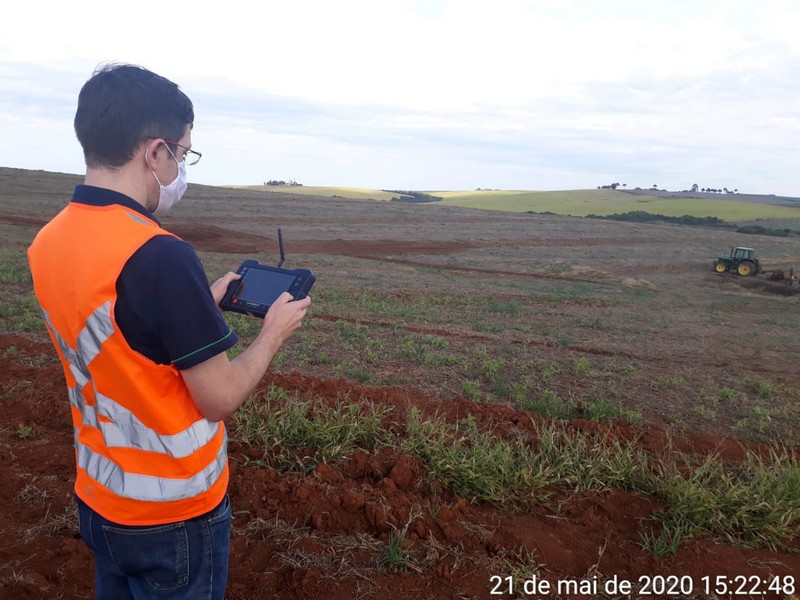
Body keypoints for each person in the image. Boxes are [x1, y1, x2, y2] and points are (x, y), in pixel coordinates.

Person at [27, 63, 311, 599]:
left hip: (99, 498)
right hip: (173, 512)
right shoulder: (159, 255)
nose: (180, 166)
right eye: (181, 154)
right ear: (154, 152)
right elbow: (218, 397)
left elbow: (115, 337)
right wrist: (273, 332)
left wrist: (196, 307)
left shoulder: (49, 241)